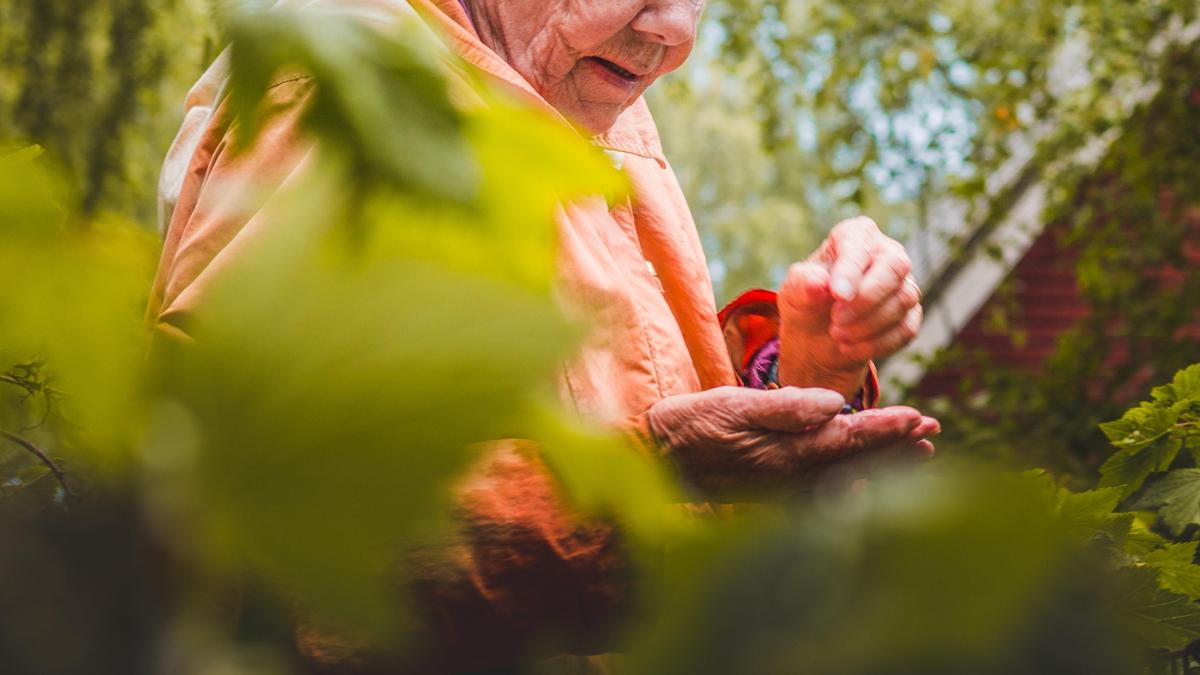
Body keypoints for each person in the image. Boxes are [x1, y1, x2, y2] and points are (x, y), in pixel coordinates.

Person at [148, 0, 937, 670]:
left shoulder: (589, 98)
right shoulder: (359, 101)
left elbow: (634, 413)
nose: (674, 29)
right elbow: (247, 538)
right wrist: (648, 477)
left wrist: (802, 364)